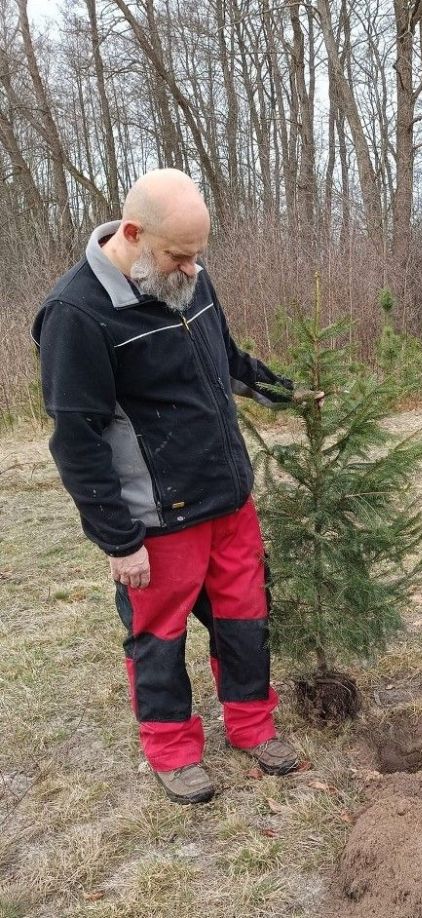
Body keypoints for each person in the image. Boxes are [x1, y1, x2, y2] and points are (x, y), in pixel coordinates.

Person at [32, 169, 303, 804]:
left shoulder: (188, 279)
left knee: (245, 620)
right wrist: (118, 541)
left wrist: (285, 389)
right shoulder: (77, 315)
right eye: (179, 255)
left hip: (229, 501)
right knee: (160, 637)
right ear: (132, 234)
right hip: (158, 520)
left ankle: (252, 726)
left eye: (199, 254)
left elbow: (223, 360)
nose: (192, 268)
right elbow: (77, 442)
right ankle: (173, 749)